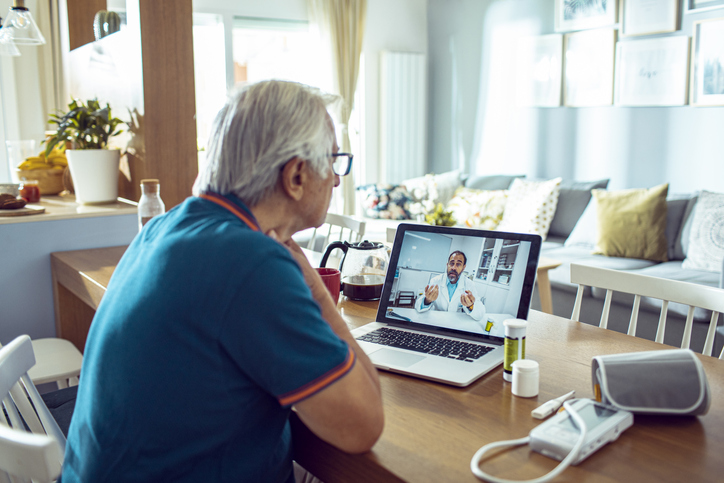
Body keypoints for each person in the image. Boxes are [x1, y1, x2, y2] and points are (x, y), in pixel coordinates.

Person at [60, 80, 384, 482]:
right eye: (334, 161)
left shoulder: (163, 226)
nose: (337, 180)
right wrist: (316, 290)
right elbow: (363, 425)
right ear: (297, 175)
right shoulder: (251, 262)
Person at [414, 251, 486, 321]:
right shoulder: (435, 281)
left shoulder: (469, 284)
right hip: (436, 321)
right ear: (447, 264)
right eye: (451, 263)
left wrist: (470, 306)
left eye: (458, 264)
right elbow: (418, 307)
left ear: (464, 267)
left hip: (456, 323)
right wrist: (427, 300)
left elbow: (480, 314)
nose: (453, 267)